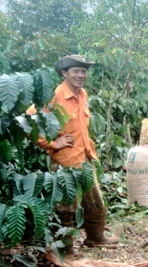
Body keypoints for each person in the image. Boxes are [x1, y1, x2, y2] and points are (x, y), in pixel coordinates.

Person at [26, 55, 119, 256]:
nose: (81, 75)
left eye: (83, 71)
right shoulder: (54, 96)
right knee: (65, 207)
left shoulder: (83, 94)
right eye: (76, 71)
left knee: (95, 200)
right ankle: (65, 249)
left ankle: (95, 237)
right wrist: (51, 143)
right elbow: (28, 120)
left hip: (84, 157)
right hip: (64, 161)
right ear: (64, 73)